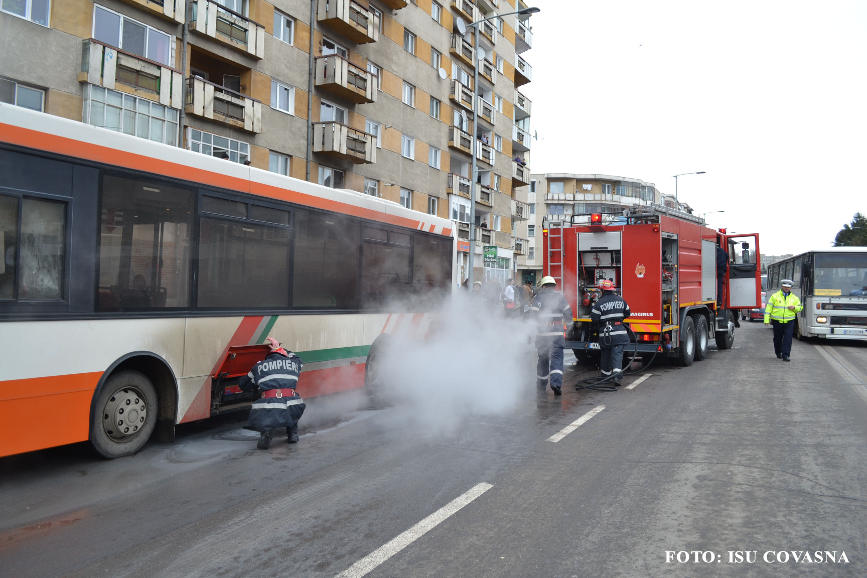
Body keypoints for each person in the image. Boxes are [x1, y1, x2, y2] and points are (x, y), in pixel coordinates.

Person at [240, 337, 306, 449]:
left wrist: (258, 384)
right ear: (284, 355)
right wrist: (280, 347)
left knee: (267, 405)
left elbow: (243, 384)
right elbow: (297, 358)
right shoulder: (294, 363)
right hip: (293, 407)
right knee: (292, 399)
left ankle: (266, 433)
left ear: (268, 356)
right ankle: (293, 434)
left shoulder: (259, 366)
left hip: (270, 406)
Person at [529, 276, 572, 396]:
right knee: (557, 360)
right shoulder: (560, 297)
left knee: (543, 360)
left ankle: (541, 386)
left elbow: (532, 317)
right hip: (557, 334)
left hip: (542, 335)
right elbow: (568, 314)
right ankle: (556, 384)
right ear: (554, 286)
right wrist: (569, 328)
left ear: (543, 286)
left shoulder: (538, 298)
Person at [590, 279, 631, 385]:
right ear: (612, 289)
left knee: (605, 354)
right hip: (619, 332)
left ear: (602, 291)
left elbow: (594, 318)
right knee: (617, 354)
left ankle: (605, 376)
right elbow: (627, 312)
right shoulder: (620, 300)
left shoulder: (599, 303)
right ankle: (616, 376)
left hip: (606, 334)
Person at [763, 279, 802, 361]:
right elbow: (768, 308)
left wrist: (794, 307)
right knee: (777, 338)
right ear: (782, 286)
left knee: (788, 338)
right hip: (777, 321)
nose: (787, 288)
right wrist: (766, 319)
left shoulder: (794, 298)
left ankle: (786, 355)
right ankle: (778, 352)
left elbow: (800, 308)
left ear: (791, 288)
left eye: (788, 287)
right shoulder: (775, 296)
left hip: (789, 321)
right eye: (785, 287)